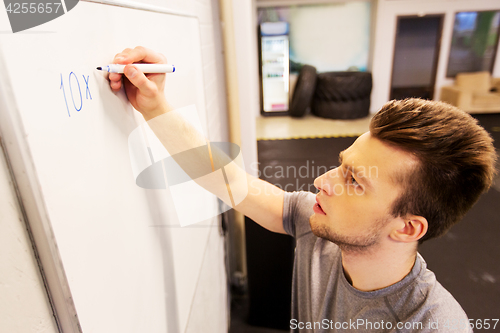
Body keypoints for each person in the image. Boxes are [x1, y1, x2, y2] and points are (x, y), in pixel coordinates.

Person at [108, 46, 497, 332]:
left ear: (407, 227)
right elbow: (230, 181)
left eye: (354, 181)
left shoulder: (434, 325)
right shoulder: (318, 225)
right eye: (342, 165)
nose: (321, 182)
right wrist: (155, 106)